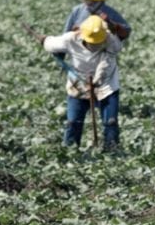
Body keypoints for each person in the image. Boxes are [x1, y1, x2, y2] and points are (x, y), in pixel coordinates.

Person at [38, 14, 123, 150]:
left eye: (98, 42)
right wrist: (45, 40)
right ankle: (70, 151)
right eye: (92, 42)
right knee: (73, 122)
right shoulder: (71, 39)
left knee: (110, 122)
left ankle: (112, 150)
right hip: (78, 86)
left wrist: (97, 80)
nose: (95, 44)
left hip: (106, 86)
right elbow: (51, 44)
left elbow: (105, 64)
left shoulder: (111, 41)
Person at [64, 0, 131, 41]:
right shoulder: (77, 11)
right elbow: (66, 34)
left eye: (93, 1)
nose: (89, 3)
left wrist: (110, 23)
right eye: (86, 0)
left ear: (101, 0)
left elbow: (126, 32)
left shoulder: (110, 13)